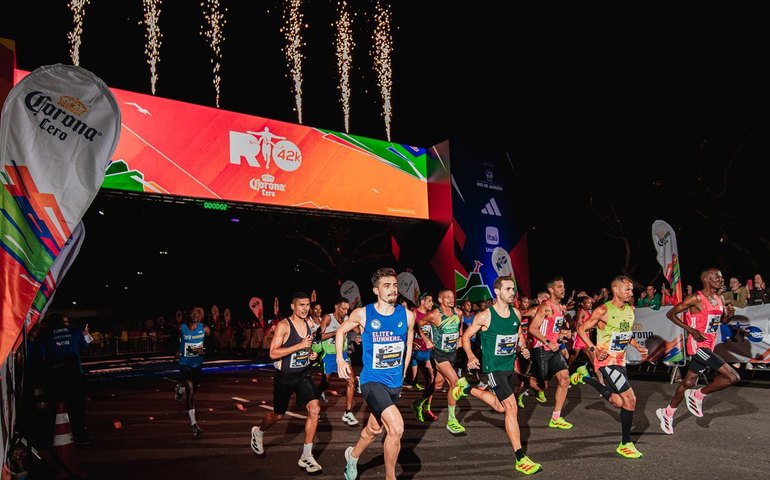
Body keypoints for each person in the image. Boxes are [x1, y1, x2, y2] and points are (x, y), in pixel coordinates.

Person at [453, 275, 542, 475]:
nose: (513, 293)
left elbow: (518, 334)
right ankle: (520, 458)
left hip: (509, 367)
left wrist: (522, 348)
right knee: (511, 407)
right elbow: (466, 336)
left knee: (500, 407)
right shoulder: (485, 316)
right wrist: (469, 356)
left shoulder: (516, 314)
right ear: (498, 291)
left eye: (514, 289)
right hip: (493, 368)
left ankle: (466, 387)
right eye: (509, 289)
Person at [335, 267, 415, 480]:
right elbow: (341, 331)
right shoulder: (363, 313)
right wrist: (340, 359)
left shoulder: (407, 316)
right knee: (396, 428)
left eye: (395, 286)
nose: (392, 290)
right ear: (376, 290)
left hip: (395, 382)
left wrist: (405, 368)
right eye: (386, 286)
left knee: (374, 429)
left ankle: (352, 456)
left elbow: (408, 343)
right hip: (372, 380)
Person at [655, 268, 740, 434]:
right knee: (732, 377)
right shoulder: (695, 298)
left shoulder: (719, 298)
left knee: (688, 382)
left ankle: (667, 413)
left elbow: (721, 321)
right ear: (707, 280)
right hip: (697, 345)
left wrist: (729, 316)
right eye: (717, 277)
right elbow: (671, 314)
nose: (721, 280)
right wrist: (691, 330)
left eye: (722, 277)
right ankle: (698, 395)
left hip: (709, 345)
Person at [250, 292, 323, 474]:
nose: (306, 309)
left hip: (303, 374)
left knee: (315, 409)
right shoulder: (283, 326)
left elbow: (308, 348)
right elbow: (273, 353)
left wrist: (312, 355)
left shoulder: (310, 324)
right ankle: (258, 432)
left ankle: (306, 456)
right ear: (293, 306)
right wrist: (299, 346)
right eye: (301, 305)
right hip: (285, 377)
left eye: (307, 305)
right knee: (278, 415)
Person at [575, 275, 648, 459]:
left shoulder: (631, 310)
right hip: (606, 361)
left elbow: (624, 334)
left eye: (631, 290)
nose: (631, 293)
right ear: (616, 290)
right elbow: (581, 330)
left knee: (618, 402)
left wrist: (637, 345)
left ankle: (585, 377)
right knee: (630, 399)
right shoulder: (602, 310)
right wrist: (593, 349)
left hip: (620, 361)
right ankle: (625, 444)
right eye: (628, 289)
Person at [527, 277, 572, 429]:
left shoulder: (561, 308)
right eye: (559, 287)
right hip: (541, 348)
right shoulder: (546, 306)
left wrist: (562, 337)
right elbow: (532, 328)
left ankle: (556, 417)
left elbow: (554, 329)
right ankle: (523, 381)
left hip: (554, 349)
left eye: (563, 287)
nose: (563, 289)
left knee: (564, 379)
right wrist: (548, 342)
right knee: (542, 385)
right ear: (551, 290)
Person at [423, 288, 467, 434]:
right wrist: (426, 340)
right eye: (447, 297)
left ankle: (419, 402)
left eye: (452, 297)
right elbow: (418, 324)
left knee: (437, 384)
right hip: (438, 353)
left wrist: (460, 337)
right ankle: (452, 420)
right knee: (454, 381)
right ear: (440, 300)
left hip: (452, 354)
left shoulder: (458, 313)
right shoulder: (435, 314)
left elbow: (460, 324)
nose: (451, 299)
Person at [42, 313, 91, 445]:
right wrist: (85, 335)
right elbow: (84, 349)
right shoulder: (75, 331)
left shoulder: (46, 335)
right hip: (75, 374)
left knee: (57, 408)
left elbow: (42, 356)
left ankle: (58, 436)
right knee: (78, 407)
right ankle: (80, 436)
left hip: (56, 376)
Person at [317, 296, 359, 425]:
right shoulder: (328, 318)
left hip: (343, 354)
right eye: (343, 309)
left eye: (347, 309)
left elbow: (357, 329)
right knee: (325, 383)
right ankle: (314, 404)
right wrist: (335, 333)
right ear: (336, 307)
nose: (345, 312)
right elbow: (319, 336)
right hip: (329, 355)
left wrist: (359, 335)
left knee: (351, 381)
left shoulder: (347, 319)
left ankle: (348, 412)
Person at [175, 306, 211, 438]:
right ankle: (194, 424)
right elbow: (175, 339)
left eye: (197, 313)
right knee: (191, 390)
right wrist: (177, 350)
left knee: (194, 389)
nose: (196, 315)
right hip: (185, 363)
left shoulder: (205, 328)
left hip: (197, 364)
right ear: (188, 316)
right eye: (193, 313)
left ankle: (180, 390)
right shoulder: (182, 328)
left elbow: (211, 342)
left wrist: (204, 350)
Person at [410, 292, 439, 422]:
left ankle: (426, 408)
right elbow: (405, 330)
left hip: (425, 351)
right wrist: (411, 342)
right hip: (414, 351)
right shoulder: (414, 314)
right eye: (429, 301)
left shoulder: (430, 315)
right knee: (419, 379)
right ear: (422, 302)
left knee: (431, 379)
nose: (432, 304)